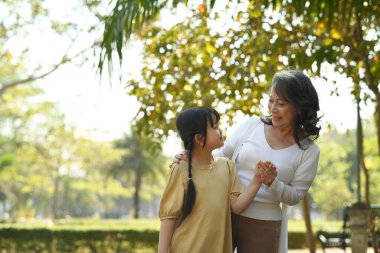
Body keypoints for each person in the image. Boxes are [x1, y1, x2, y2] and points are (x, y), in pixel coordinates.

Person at [172, 70, 321, 253]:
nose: (272, 108)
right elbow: (221, 155)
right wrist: (191, 155)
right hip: (224, 214)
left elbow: (295, 196)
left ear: (299, 107)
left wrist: (272, 183)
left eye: (280, 103)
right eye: (271, 100)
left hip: (263, 224)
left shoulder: (309, 151)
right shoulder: (253, 125)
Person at [158, 107, 263, 253]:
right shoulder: (180, 170)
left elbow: (237, 206)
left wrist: (257, 181)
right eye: (214, 127)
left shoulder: (227, 166)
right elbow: (169, 218)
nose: (220, 130)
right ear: (199, 138)